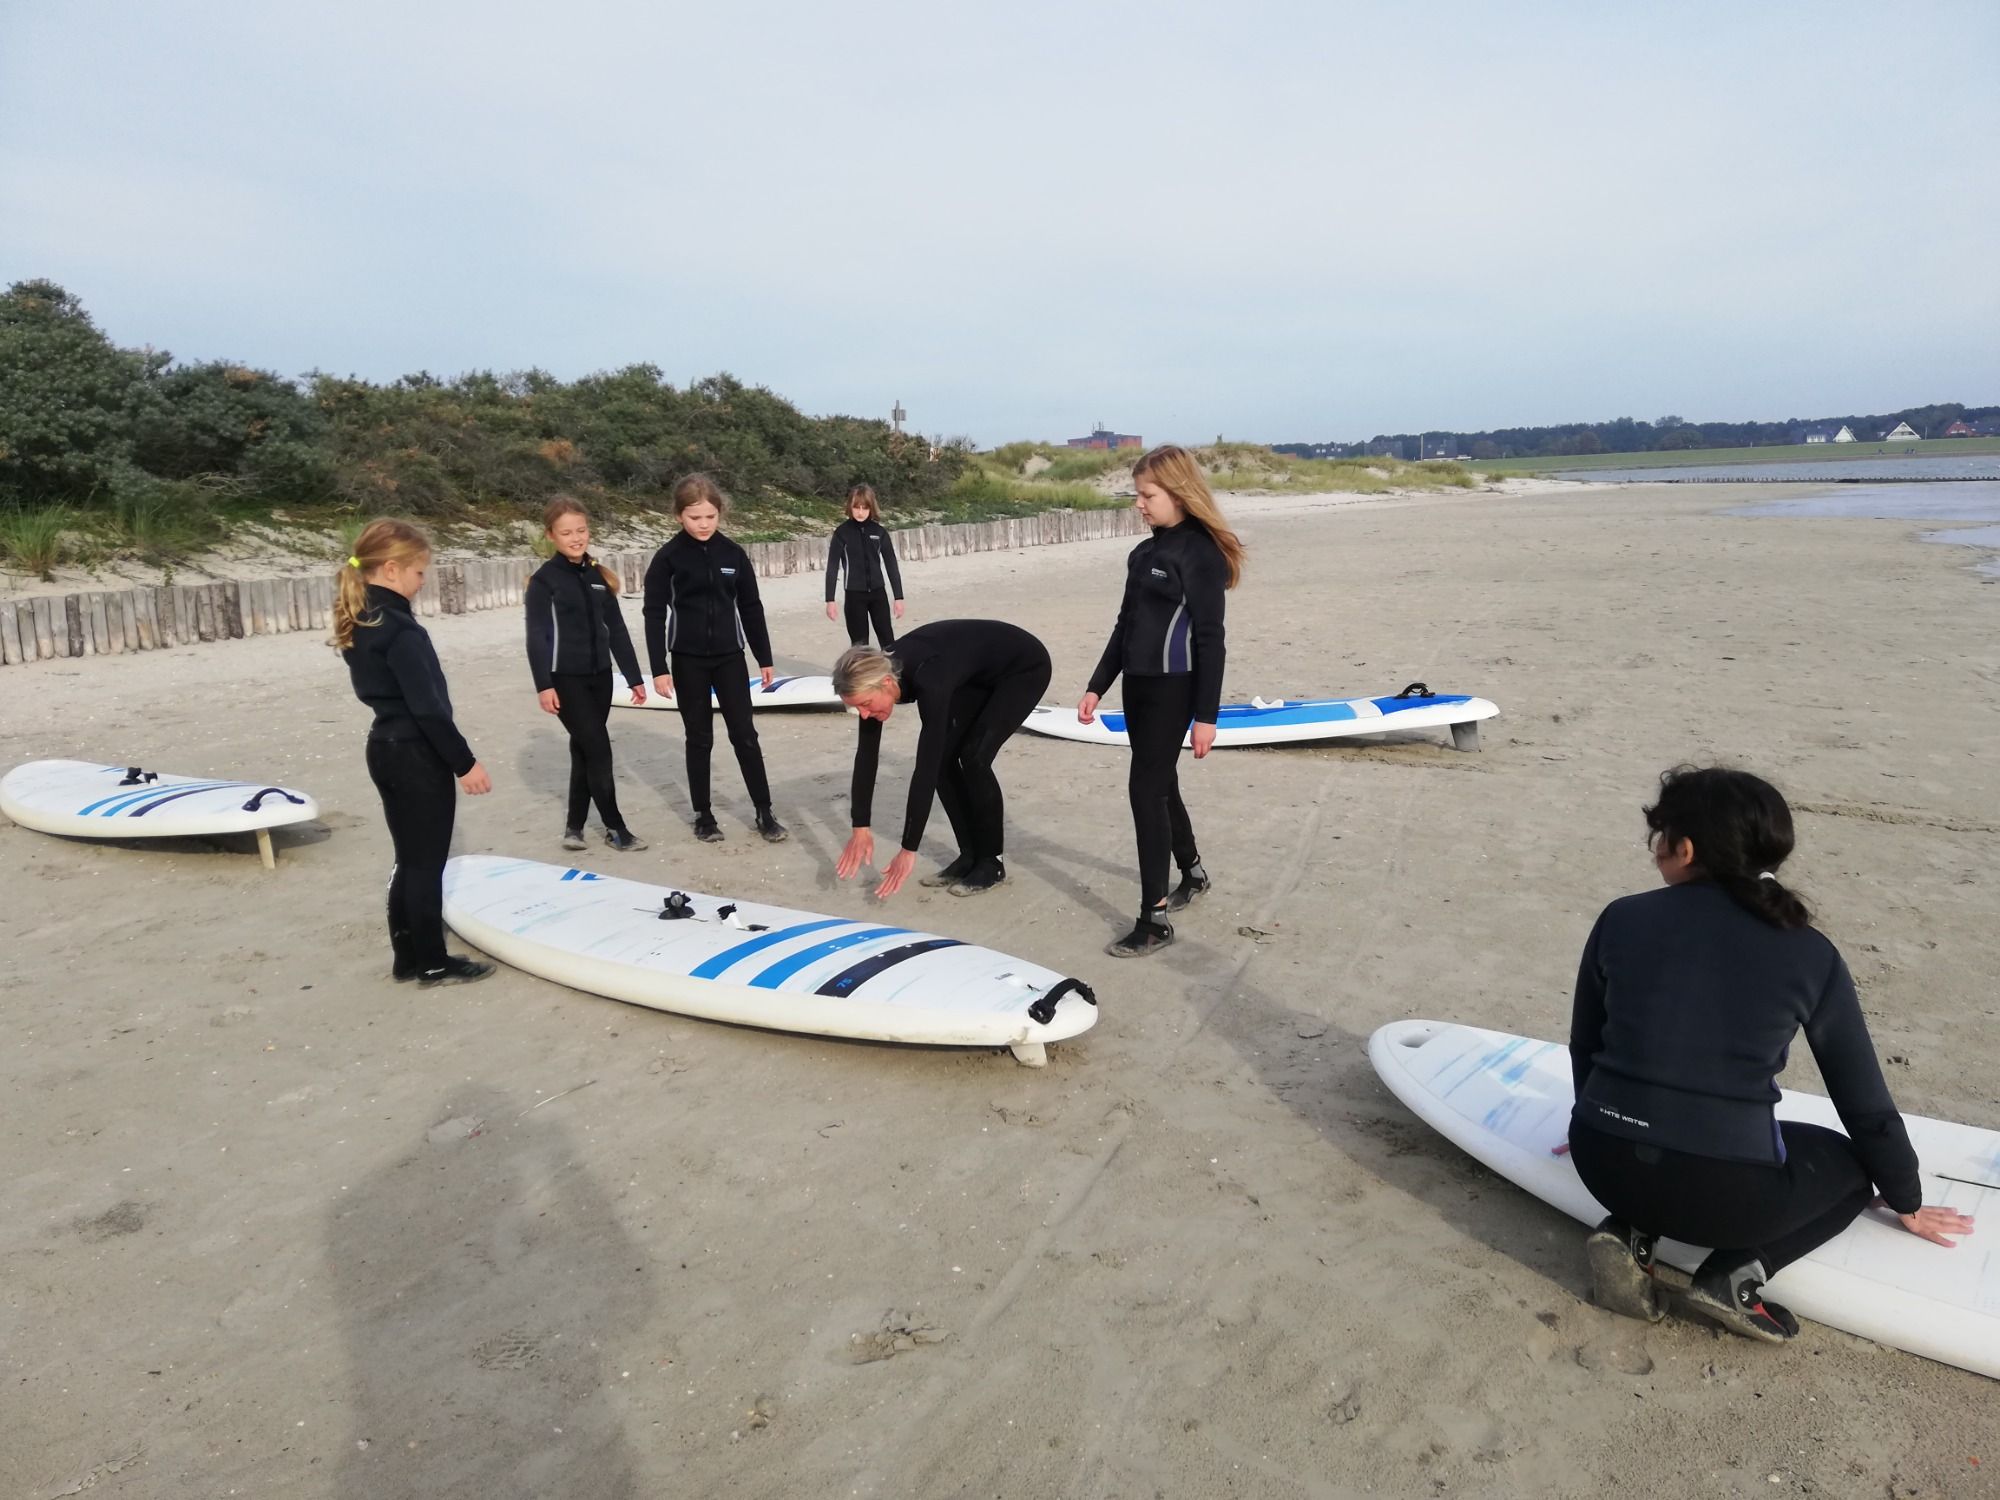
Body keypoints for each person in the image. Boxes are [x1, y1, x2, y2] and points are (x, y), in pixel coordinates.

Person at [1570, 766, 1974, 1342]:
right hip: (1728, 1203)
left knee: (1674, 1147)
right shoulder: (1810, 954)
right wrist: (1905, 1197)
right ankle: (1734, 1273)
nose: (1655, 849)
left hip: (1599, 1161)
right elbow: (1863, 1103)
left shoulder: (1621, 917)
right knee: (1853, 1163)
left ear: (1685, 849)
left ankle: (1630, 1234)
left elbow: (1586, 1043)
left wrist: (1591, 1117)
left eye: (1659, 837)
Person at [1077, 444, 1243, 958]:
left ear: (1179, 492)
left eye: (1147, 495)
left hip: (1175, 688)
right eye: (1137, 495)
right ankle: (1192, 872)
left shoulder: (1200, 555)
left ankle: (1154, 920)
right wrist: (1097, 685)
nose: (1139, 505)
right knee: (1160, 781)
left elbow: (1211, 639)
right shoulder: (1142, 555)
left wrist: (1206, 716)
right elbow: (1124, 626)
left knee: (1144, 790)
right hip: (1138, 686)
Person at [333, 519, 494, 987]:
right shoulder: (400, 628)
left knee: (408, 858)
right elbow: (428, 709)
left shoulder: (362, 618)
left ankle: (407, 956)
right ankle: (433, 962)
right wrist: (464, 763)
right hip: (414, 754)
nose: (423, 582)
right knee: (426, 863)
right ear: (391, 569)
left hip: (384, 748)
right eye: (419, 572)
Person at [832, 621, 1051, 898]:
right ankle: (969, 856)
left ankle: (991, 863)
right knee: (946, 762)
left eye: (865, 705)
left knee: (974, 757)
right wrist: (860, 826)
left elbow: (925, 766)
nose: (864, 714)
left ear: (887, 683)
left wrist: (908, 849)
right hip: (974, 671)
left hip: (1023, 666)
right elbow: (866, 755)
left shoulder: (929, 679)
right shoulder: (875, 681)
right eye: (856, 709)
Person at [642, 474, 788, 844]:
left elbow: (751, 607)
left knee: (745, 735)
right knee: (699, 738)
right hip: (687, 660)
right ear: (679, 516)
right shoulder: (668, 558)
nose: (703, 524)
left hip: (729, 658)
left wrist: (764, 657)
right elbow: (653, 613)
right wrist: (659, 667)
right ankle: (703, 816)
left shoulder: (733, 554)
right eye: (695, 518)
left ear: (720, 513)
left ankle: (764, 812)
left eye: (710, 516)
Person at [525, 497, 648, 852]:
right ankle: (615, 828)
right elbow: (537, 636)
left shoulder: (597, 576)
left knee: (584, 749)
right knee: (598, 749)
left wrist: (634, 677)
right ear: (551, 535)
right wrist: (544, 685)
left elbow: (617, 629)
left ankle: (574, 828)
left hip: (601, 678)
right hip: (565, 680)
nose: (576, 538)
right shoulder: (544, 581)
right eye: (566, 533)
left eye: (581, 530)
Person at [824, 483, 906, 646]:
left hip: (878, 594)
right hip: (854, 595)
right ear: (850, 507)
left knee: (888, 643)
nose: (860, 512)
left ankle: (889, 664)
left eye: (865, 508)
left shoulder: (879, 532)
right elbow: (832, 568)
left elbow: (891, 565)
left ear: (871, 508)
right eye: (856, 507)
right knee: (859, 647)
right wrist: (830, 600)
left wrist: (898, 597)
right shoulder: (842, 533)